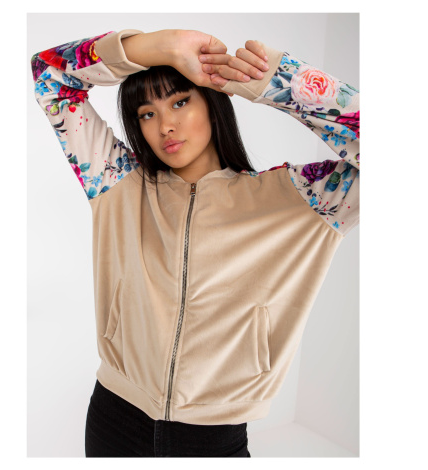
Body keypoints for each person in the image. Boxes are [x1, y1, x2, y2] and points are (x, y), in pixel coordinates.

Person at [31, 27, 359, 457]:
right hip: (115, 416)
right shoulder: (116, 182)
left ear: (212, 100)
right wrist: (159, 47)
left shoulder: (302, 198)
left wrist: (276, 83)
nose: (165, 125)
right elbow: (49, 76)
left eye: (180, 102)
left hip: (213, 436)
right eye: (146, 114)